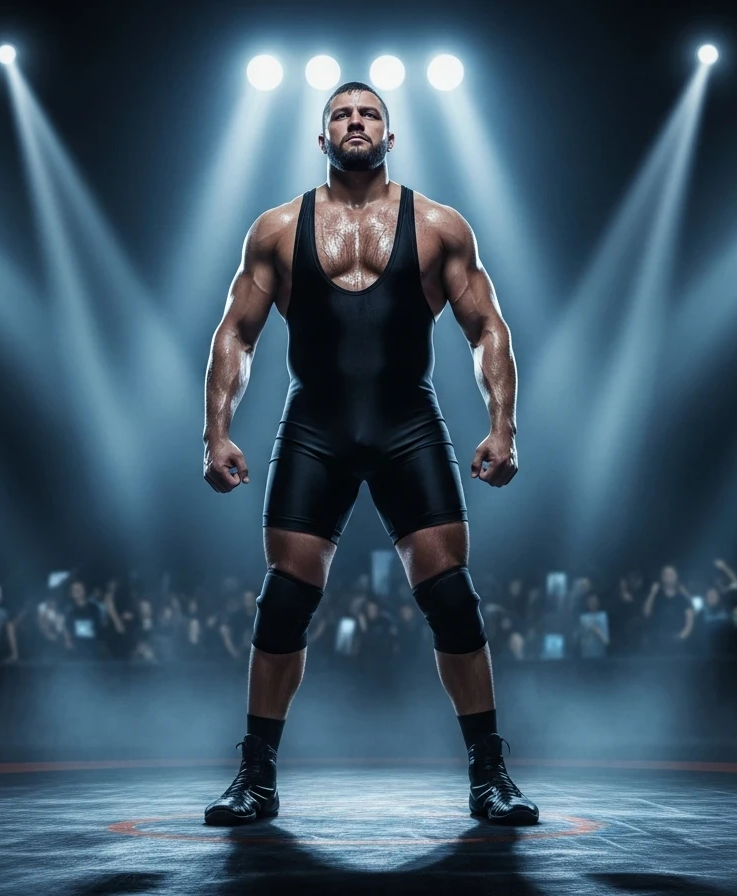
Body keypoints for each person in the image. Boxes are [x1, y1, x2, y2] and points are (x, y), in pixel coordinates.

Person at [200, 81, 536, 826]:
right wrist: (216, 431)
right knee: (284, 601)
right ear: (323, 139)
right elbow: (236, 334)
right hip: (314, 426)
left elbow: (489, 331)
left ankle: (490, 774)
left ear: (391, 133)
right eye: (342, 116)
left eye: (369, 114)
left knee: (451, 598)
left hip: (406, 424)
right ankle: (255, 776)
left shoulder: (441, 226)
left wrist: (503, 426)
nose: (356, 123)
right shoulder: (279, 230)